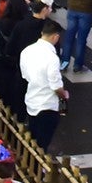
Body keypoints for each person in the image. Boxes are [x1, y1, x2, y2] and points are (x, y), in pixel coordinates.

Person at [21, 19, 70, 149]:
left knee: (33, 139)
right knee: (43, 142)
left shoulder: (27, 51)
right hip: (47, 104)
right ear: (56, 37)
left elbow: (25, 75)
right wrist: (64, 94)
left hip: (32, 100)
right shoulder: (52, 58)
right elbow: (56, 86)